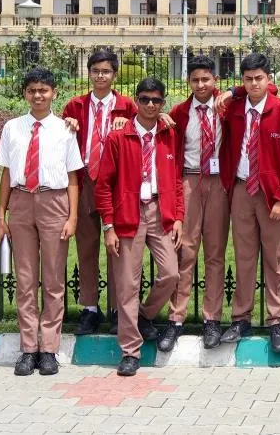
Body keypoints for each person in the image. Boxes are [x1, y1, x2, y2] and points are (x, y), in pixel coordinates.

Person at [0, 68, 83, 376]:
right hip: (20, 201)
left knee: (54, 280)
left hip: (54, 201)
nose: (37, 95)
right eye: (32, 90)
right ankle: (28, 348)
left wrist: (72, 217)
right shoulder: (12, 128)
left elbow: (73, 177)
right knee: (25, 278)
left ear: (53, 93)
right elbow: (6, 172)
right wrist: (1, 214)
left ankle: (49, 348)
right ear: (24, 93)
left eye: (43, 90)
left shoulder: (65, 129)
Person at [217, 53, 280, 353]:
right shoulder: (234, 109)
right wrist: (232, 91)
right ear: (242, 81)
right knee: (243, 256)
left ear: (269, 80)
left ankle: (276, 318)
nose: (254, 84)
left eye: (259, 78)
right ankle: (241, 318)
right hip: (242, 190)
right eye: (248, 79)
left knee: (275, 258)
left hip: (272, 195)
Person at [96, 78, 184, 375]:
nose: (149, 105)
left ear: (163, 103)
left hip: (160, 211)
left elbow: (176, 180)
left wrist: (178, 216)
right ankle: (130, 351)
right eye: (144, 99)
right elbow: (104, 185)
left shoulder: (169, 134)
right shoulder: (119, 137)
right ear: (136, 100)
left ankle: (144, 315)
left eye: (156, 100)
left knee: (171, 272)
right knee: (128, 284)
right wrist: (108, 225)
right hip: (128, 214)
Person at [62, 49, 137, 336]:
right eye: (96, 71)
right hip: (84, 181)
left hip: (116, 183)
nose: (101, 76)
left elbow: (141, 136)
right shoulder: (75, 106)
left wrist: (127, 124)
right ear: (89, 73)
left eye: (106, 71)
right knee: (87, 246)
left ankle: (119, 308)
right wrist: (68, 125)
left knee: (118, 248)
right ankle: (90, 308)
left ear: (114, 74)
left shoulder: (127, 106)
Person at [165, 56, 229, 351]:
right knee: (185, 252)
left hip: (218, 183)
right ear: (188, 82)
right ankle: (176, 318)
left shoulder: (226, 105)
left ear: (214, 80)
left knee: (215, 254)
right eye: (195, 80)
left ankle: (212, 319)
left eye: (206, 79)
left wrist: (232, 92)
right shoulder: (180, 112)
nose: (201, 85)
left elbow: (272, 89)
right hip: (189, 179)